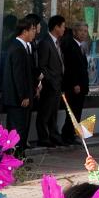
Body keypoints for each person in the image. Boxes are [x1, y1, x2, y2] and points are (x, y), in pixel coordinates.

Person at [1, 14, 41, 151]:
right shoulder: (17, 48)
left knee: (22, 128)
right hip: (17, 100)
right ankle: (16, 156)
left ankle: (20, 155)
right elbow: (18, 76)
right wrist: (23, 95)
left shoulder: (23, 47)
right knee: (17, 129)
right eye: (32, 30)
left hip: (22, 97)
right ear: (25, 31)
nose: (34, 33)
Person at [34, 15, 66, 148]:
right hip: (49, 85)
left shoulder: (57, 42)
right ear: (56, 27)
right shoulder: (45, 42)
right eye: (63, 26)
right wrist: (50, 80)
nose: (64, 29)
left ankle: (54, 135)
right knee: (45, 112)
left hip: (57, 84)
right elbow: (42, 66)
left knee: (53, 112)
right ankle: (43, 137)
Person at [60, 21, 91, 145]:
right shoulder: (71, 45)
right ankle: (67, 135)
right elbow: (70, 67)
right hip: (74, 86)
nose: (83, 33)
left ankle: (71, 134)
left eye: (85, 31)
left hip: (81, 85)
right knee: (72, 111)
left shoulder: (80, 46)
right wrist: (75, 84)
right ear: (74, 32)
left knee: (77, 111)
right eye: (81, 31)